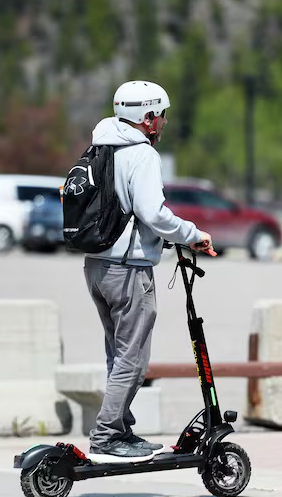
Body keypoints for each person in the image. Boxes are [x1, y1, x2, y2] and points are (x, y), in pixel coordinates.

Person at [84, 80, 214, 462]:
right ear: (147, 118)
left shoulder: (101, 144)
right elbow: (152, 213)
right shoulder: (140, 154)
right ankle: (107, 435)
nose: (163, 123)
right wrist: (192, 234)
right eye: (161, 115)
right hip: (127, 270)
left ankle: (120, 428)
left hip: (96, 266)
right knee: (133, 359)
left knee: (118, 353)